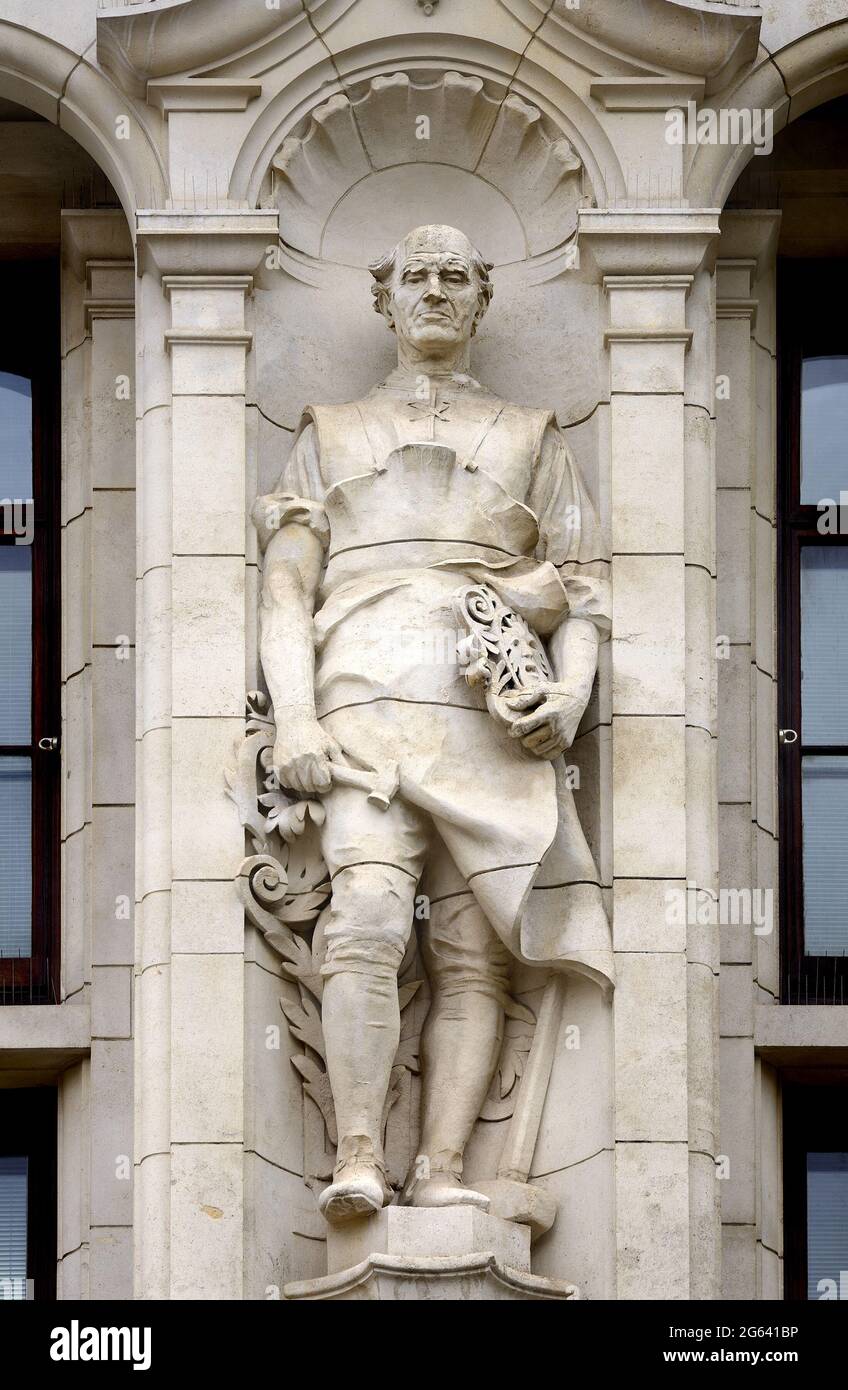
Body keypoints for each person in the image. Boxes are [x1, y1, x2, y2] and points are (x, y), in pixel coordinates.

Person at [253, 224, 613, 1224]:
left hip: (484, 710)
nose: (436, 290)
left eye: (456, 274)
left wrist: (569, 696)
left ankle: (443, 1163)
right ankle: (359, 1151)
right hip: (360, 697)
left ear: (480, 296)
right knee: (366, 916)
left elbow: (580, 594)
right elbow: (285, 592)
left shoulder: (529, 432)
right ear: (387, 297)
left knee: (469, 950)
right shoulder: (326, 429)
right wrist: (292, 716)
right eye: (416, 274)